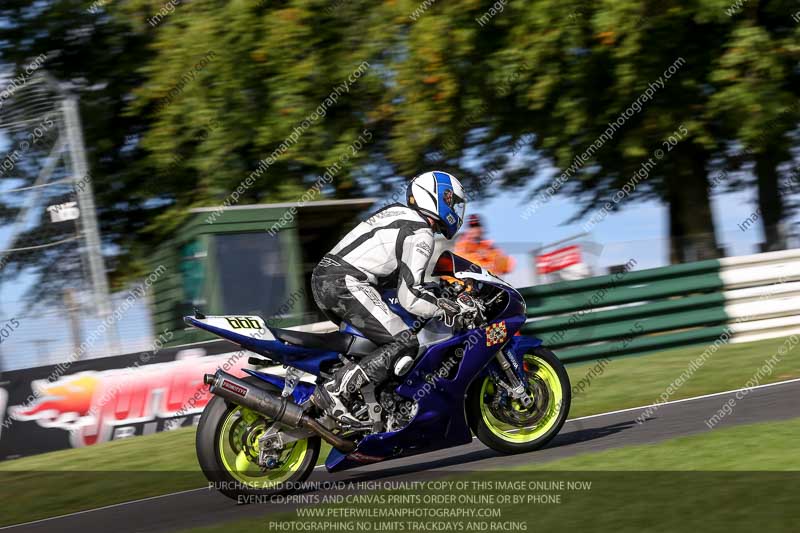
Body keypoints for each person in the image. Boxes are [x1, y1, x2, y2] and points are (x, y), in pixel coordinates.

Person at [310, 171, 466, 420]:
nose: (454, 208)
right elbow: (410, 296)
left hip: (330, 280)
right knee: (404, 342)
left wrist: (435, 293)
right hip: (345, 283)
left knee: (377, 343)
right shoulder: (420, 232)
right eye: (450, 199)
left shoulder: (398, 213)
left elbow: (396, 276)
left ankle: (372, 406)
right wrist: (447, 307)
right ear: (433, 196)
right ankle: (336, 390)